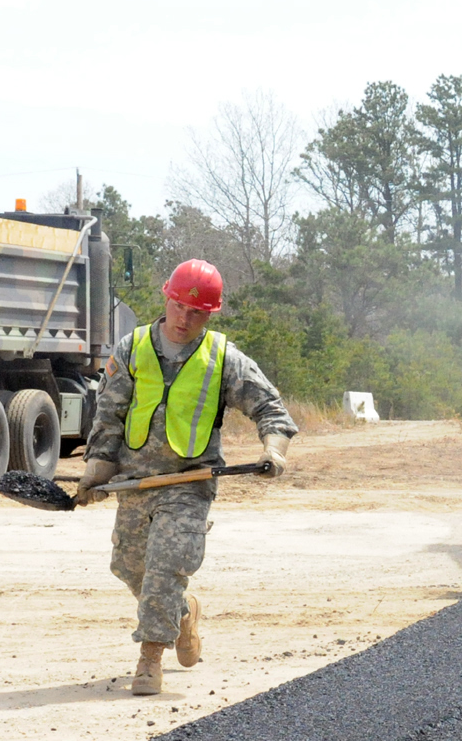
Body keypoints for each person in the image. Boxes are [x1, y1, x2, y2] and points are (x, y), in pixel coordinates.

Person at [76, 259, 297, 694]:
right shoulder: (132, 347)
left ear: (210, 314)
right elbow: (109, 413)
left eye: (197, 312)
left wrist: (274, 449)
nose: (185, 318)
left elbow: (271, 409)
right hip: (136, 481)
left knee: (165, 565)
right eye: (180, 307)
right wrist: (97, 469)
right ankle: (181, 614)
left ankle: (149, 659)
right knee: (128, 566)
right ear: (166, 297)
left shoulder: (222, 358)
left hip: (190, 483)